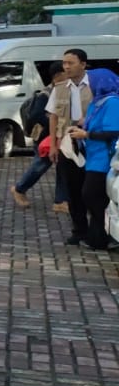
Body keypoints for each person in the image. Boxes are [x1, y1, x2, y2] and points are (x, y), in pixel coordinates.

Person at [67, 68, 119, 251]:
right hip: (93, 157)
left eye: (92, 82)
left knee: (92, 195)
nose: (89, 86)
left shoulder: (112, 103)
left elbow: (114, 131)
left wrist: (86, 133)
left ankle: (105, 235)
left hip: (106, 158)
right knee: (94, 197)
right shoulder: (96, 103)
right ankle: (98, 237)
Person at [48, 48, 91, 245]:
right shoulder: (59, 88)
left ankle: (100, 228)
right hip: (67, 143)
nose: (66, 67)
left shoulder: (95, 85)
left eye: (70, 63)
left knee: (92, 188)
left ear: (83, 64)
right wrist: (53, 145)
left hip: (92, 142)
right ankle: (79, 229)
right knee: (72, 189)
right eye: (64, 63)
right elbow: (53, 116)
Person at [11, 63, 66, 209]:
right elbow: (37, 115)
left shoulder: (63, 90)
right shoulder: (46, 93)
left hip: (58, 136)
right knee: (40, 165)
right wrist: (57, 123)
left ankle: (60, 201)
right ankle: (19, 189)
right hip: (45, 138)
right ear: (58, 76)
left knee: (63, 168)